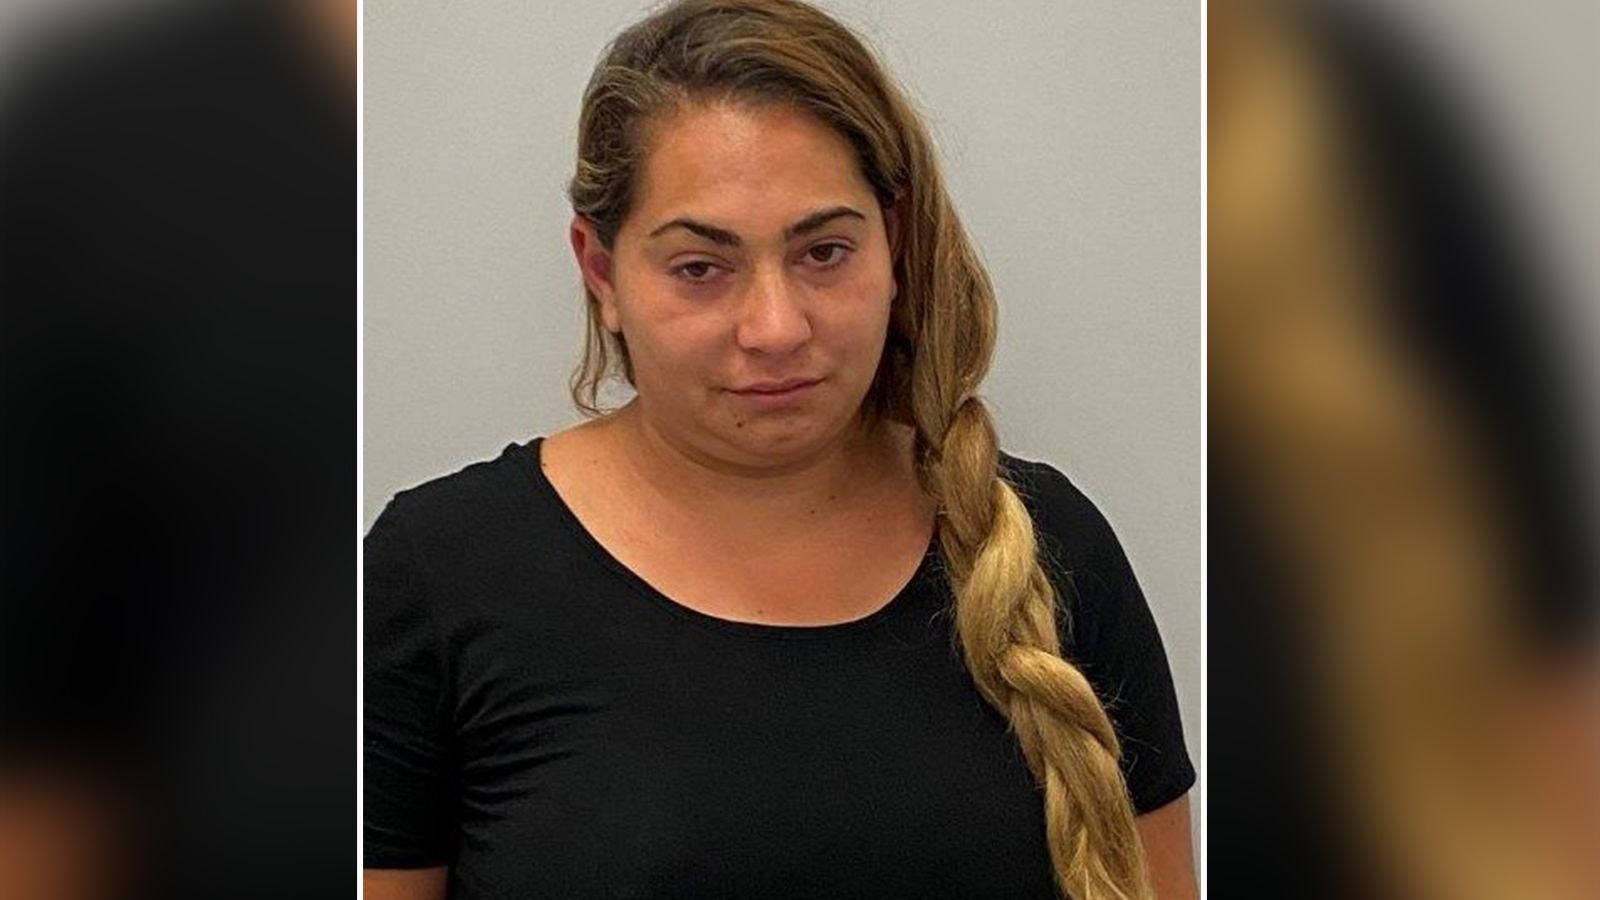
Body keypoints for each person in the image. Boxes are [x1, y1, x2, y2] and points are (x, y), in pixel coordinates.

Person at [363, 1, 1195, 898]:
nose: (775, 328)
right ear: (601, 271)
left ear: (894, 243)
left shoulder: (1045, 546)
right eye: (700, 268)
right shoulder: (439, 572)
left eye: (824, 252)